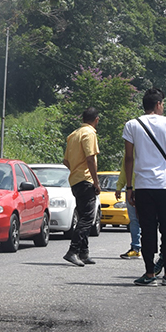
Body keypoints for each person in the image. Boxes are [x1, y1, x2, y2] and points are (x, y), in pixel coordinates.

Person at [123, 88, 166, 285]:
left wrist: (130, 187)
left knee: (147, 229)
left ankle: (149, 273)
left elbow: (128, 158)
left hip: (143, 185)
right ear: (158, 104)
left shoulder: (132, 124)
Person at [62, 107, 101, 267]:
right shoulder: (89, 133)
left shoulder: (73, 135)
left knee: (83, 213)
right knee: (87, 218)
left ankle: (84, 253)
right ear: (96, 120)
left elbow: (65, 161)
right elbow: (90, 158)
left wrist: (75, 171)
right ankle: (73, 251)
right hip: (86, 180)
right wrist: (96, 182)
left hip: (75, 180)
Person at [115, 169, 141, 260]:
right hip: (131, 190)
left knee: (148, 220)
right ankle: (136, 248)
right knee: (134, 220)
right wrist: (119, 187)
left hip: (148, 188)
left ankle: (149, 248)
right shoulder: (129, 154)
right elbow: (125, 170)